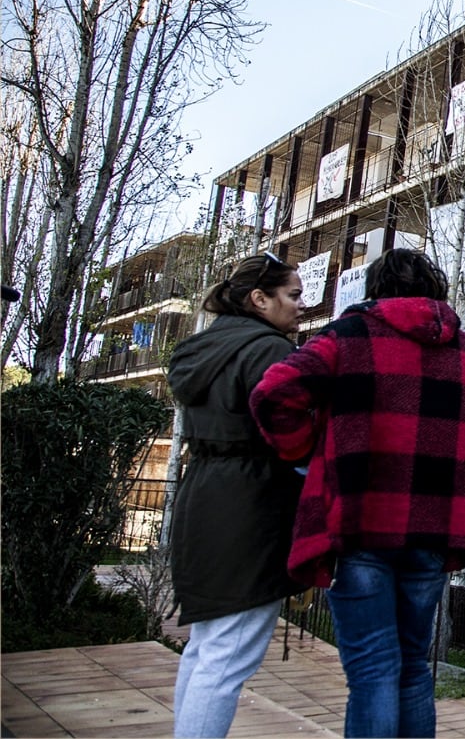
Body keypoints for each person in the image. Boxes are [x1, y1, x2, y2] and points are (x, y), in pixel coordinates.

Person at [250, 248, 465, 739]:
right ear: (434, 290)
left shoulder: (345, 338)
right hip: (434, 532)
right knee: (414, 669)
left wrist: (303, 449)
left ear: (376, 290)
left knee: (372, 672)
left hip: (360, 523)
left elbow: (273, 394)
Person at [167, 252, 305, 738]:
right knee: (227, 657)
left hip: (202, 491)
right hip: (251, 503)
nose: (300, 306)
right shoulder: (268, 352)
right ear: (259, 299)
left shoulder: (203, 349)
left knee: (207, 648)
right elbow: (297, 433)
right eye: (293, 295)